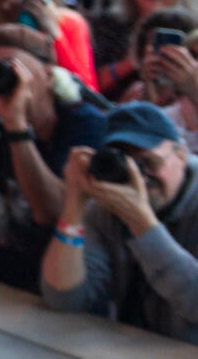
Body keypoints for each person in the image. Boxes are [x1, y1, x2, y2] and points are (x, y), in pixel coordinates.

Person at [0, 25, 110, 290]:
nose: (4, 78)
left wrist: (16, 126)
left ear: (48, 73)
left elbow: (52, 211)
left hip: (48, 286)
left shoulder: (83, 121)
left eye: (13, 67)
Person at [42, 102, 198, 341]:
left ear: (181, 154)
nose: (139, 178)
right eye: (126, 165)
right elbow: (63, 298)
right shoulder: (107, 206)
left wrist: (141, 222)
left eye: (149, 162)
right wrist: (74, 204)